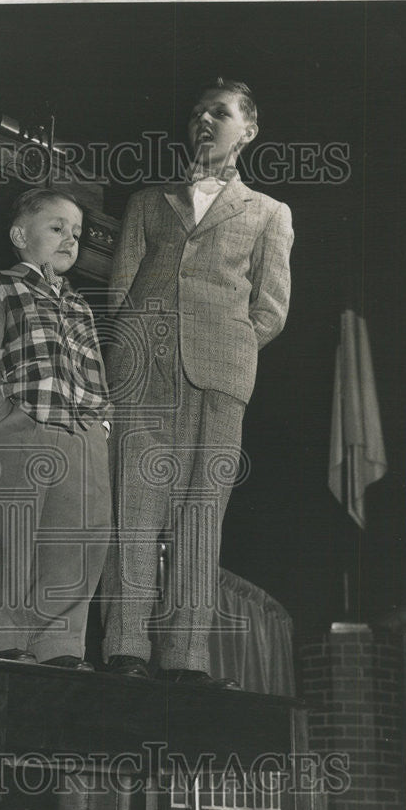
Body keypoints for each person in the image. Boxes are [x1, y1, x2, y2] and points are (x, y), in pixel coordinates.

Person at [100, 78, 294, 686]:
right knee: (134, 510)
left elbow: (271, 307)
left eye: (219, 111)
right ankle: (125, 648)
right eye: (195, 114)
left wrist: (228, 347)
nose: (204, 121)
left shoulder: (269, 212)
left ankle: (185, 657)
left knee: (201, 513)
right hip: (144, 371)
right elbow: (119, 289)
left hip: (220, 378)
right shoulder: (148, 201)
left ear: (249, 129)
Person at [0, 189, 112, 671]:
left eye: (78, 233)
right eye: (57, 228)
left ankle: (60, 648)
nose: (71, 239)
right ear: (20, 236)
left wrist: (102, 424)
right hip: (21, 429)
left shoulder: (80, 305)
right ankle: (4, 641)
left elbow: (96, 370)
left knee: (79, 542)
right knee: (10, 533)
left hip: (82, 436)